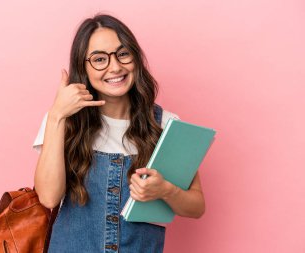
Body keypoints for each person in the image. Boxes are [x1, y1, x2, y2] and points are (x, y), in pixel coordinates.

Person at [32, 14, 205, 253]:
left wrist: (165, 190)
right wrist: (56, 116)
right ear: (83, 67)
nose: (115, 67)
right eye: (99, 59)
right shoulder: (63, 120)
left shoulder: (165, 125)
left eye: (123, 54)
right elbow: (49, 198)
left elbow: (196, 207)